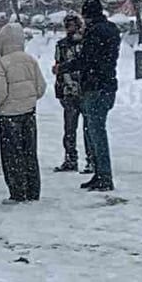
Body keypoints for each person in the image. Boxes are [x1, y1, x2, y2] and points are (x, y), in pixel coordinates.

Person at [58, 0, 120, 192]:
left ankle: (104, 175)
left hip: (95, 87)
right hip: (109, 84)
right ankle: (100, 173)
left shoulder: (94, 32)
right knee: (95, 130)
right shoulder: (112, 29)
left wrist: (63, 68)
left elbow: (87, 60)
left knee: (96, 132)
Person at [0, 23, 46, 204]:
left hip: (9, 115)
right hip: (29, 113)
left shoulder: (2, 63)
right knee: (29, 151)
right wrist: (29, 99)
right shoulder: (30, 60)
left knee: (12, 155)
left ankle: (17, 192)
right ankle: (33, 190)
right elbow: (41, 87)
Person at [53, 14, 93, 173]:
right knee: (70, 128)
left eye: (73, 25)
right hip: (69, 90)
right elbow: (57, 67)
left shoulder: (85, 43)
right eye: (68, 25)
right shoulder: (62, 45)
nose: (70, 29)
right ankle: (71, 158)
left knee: (86, 129)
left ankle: (89, 159)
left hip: (83, 89)